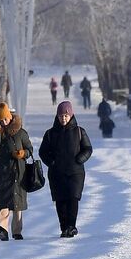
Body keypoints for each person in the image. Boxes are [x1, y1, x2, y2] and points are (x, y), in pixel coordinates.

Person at [38, 100, 93, 237]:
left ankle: (72, 226)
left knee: (73, 198)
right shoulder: (50, 134)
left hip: (76, 172)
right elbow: (43, 152)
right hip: (57, 172)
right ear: (57, 117)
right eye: (61, 116)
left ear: (71, 116)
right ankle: (64, 227)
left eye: (66, 116)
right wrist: (51, 162)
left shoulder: (80, 131)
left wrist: (80, 159)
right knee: (60, 200)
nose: (63, 118)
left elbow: (88, 148)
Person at [0, 102, 34, 240]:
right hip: (3, 171)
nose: (3, 122)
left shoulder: (21, 132)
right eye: (0, 120)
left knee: (17, 203)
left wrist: (22, 153)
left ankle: (17, 231)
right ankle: (3, 230)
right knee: (3, 201)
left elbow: (30, 150)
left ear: (9, 117)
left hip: (19, 171)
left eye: (5, 119)